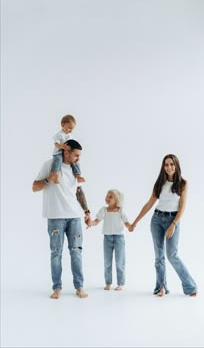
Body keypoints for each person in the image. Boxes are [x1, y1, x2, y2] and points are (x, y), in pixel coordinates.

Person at [129, 154, 197, 297]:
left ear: (176, 165)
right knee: (159, 257)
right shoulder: (160, 183)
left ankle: (191, 287)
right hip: (157, 220)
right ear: (163, 167)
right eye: (166, 165)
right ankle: (161, 287)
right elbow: (149, 204)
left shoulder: (183, 184)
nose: (169, 167)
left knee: (172, 255)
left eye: (172, 164)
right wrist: (135, 222)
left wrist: (173, 224)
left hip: (173, 220)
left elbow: (182, 207)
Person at [32, 139, 91, 299]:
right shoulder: (49, 165)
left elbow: (78, 191)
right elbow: (34, 187)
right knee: (56, 253)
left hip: (74, 218)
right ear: (66, 151)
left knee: (77, 252)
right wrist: (47, 180)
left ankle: (79, 287)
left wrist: (86, 211)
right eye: (76, 155)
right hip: (55, 216)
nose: (78, 158)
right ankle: (57, 288)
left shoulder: (75, 169)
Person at [87, 189, 131, 291]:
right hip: (107, 238)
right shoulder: (104, 210)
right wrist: (90, 223)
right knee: (107, 262)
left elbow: (127, 223)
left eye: (110, 197)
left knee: (120, 261)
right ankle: (108, 283)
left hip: (119, 238)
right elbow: (96, 221)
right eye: (107, 196)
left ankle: (121, 283)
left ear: (117, 200)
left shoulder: (121, 211)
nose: (107, 198)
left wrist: (130, 226)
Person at [51, 114, 85, 184]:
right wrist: (63, 146)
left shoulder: (70, 136)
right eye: (69, 128)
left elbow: (75, 143)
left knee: (76, 162)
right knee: (58, 161)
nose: (71, 131)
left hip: (67, 154)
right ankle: (55, 175)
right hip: (59, 153)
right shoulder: (59, 135)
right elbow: (56, 144)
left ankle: (78, 175)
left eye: (72, 129)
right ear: (63, 125)